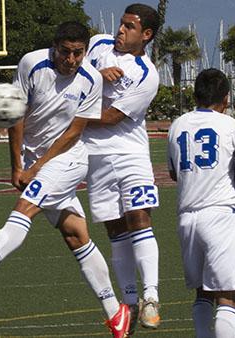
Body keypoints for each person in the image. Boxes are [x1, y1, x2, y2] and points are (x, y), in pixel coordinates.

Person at [0, 21, 131, 337]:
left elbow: (75, 132)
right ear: (55, 47)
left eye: (78, 53)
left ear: (84, 52)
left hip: (68, 159)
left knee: (25, 206)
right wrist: (18, 166)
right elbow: (16, 116)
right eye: (65, 52)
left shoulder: (91, 79)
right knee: (75, 234)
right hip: (34, 158)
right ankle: (116, 312)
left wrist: (38, 166)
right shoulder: (31, 63)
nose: (71, 59)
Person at [82, 3, 161, 332]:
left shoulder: (148, 74)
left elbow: (112, 117)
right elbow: (71, 76)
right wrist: (97, 76)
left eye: (129, 27)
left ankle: (151, 297)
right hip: (94, 156)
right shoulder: (98, 44)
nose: (120, 30)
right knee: (115, 230)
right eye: (121, 24)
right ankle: (129, 302)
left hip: (130, 154)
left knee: (139, 217)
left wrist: (69, 118)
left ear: (146, 35)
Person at [168, 69, 235, 337]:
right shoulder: (232, 126)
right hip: (219, 213)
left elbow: (173, 172)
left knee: (202, 292)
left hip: (187, 216)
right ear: (225, 98)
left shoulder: (177, 124)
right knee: (227, 295)